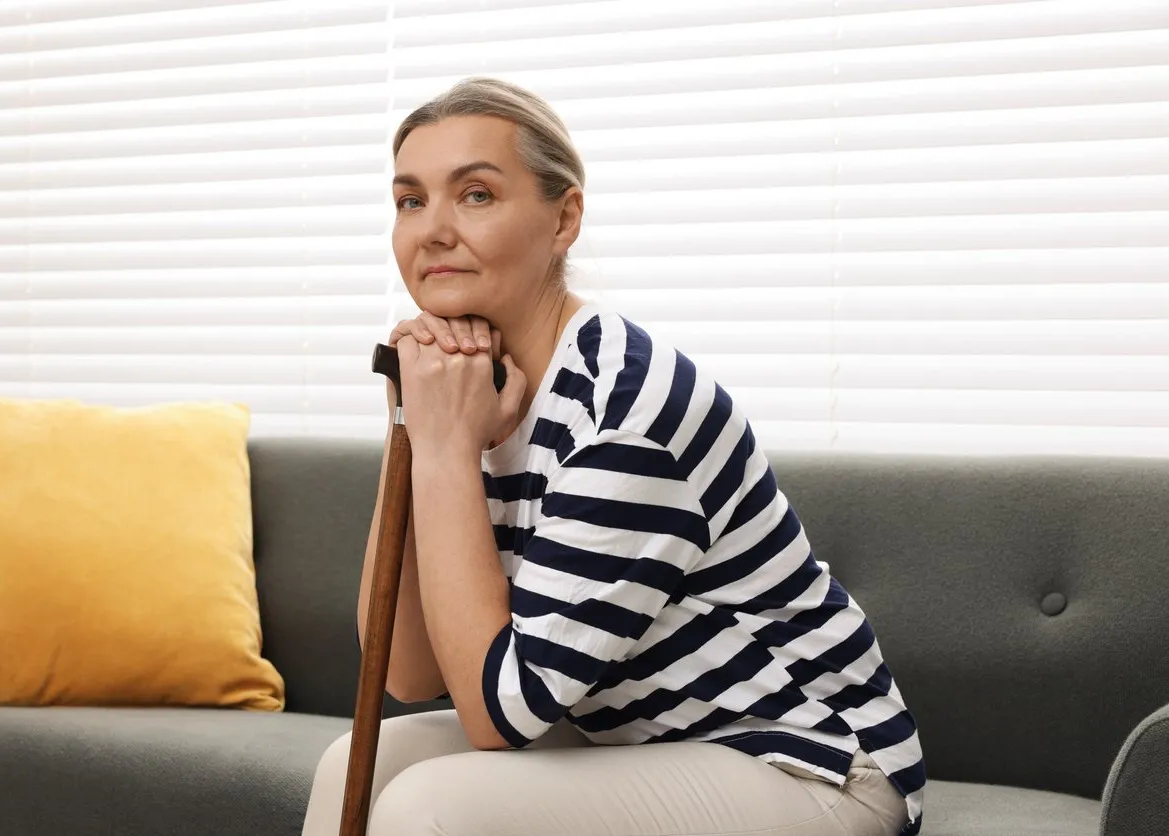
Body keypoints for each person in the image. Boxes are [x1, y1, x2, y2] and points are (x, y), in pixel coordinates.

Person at [302, 76, 925, 836]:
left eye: (474, 195)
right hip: (637, 740)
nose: (431, 229)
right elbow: (405, 674)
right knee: (355, 771)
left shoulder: (624, 411)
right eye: (409, 200)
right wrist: (416, 418)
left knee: (428, 809)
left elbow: (502, 712)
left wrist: (438, 444)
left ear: (563, 219)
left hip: (812, 767)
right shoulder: (475, 388)